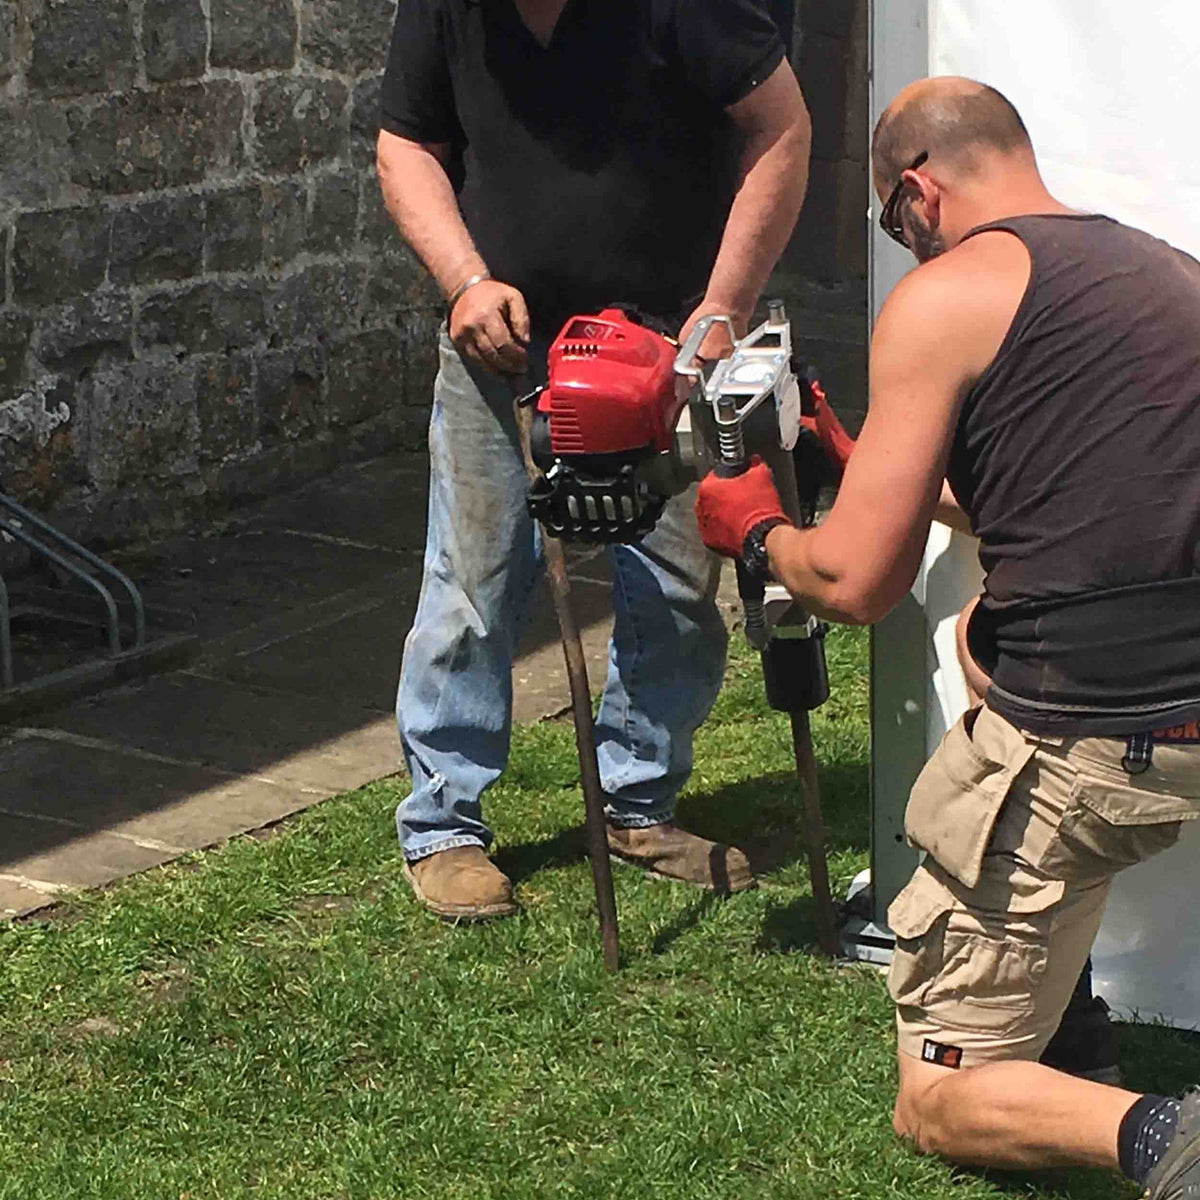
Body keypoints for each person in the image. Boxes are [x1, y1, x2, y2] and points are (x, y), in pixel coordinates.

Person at [694, 76, 1200, 1195]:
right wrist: (868, 461)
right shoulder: (1165, 272)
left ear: (916, 194)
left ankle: (1171, 1138)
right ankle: (1063, 1019)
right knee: (984, 640)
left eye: (890, 225)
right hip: (1178, 705)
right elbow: (1062, 503)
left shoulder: (950, 293)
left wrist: (758, 529)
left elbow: (854, 583)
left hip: (1107, 737)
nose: (903, 249)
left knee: (937, 1100)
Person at [376, 0, 812, 920]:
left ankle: (638, 802)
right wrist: (463, 277)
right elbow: (406, 143)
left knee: (679, 593)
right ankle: (444, 826)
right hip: (502, 344)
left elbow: (781, 128)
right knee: (471, 585)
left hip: (666, 343)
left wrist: (726, 305)